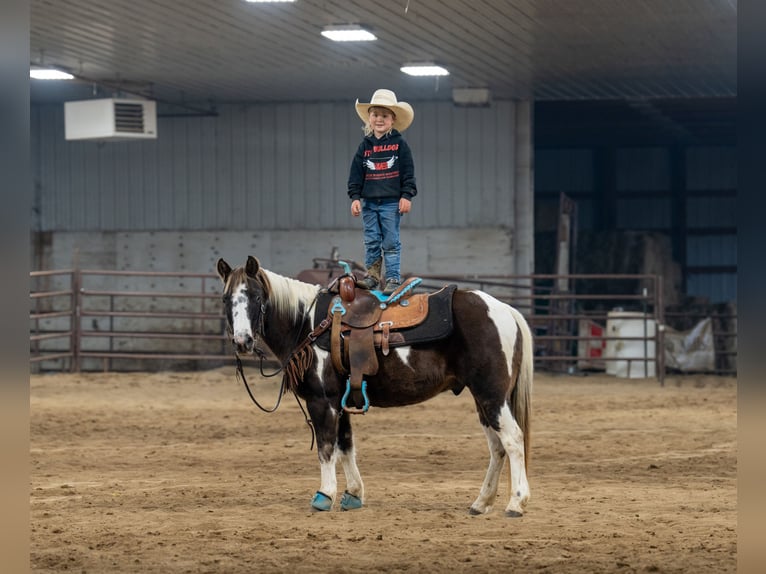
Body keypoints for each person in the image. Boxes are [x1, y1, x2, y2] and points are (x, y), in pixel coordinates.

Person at [347, 89, 417, 295]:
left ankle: (393, 277)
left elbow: (408, 172)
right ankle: (372, 276)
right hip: (369, 202)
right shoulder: (364, 146)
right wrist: (355, 198)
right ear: (369, 117)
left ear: (392, 119)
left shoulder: (399, 144)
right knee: (371, 239)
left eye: (384, 116)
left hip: (390, 202)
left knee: (390, 240)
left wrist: (406, 195)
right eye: (375, 115)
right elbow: (356, 175)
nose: (379, 119)